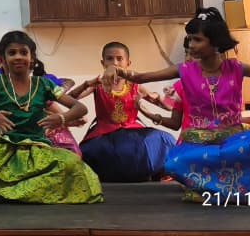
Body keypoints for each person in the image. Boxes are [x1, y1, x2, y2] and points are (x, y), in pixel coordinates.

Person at [101, 7, 250, 203]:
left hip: (233, 141)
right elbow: (142, 78)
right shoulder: (184, 70)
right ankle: (230, 186)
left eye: (197, 40)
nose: (191, 45)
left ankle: (218, 188)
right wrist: (116, 70)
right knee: (175, 162)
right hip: (198, 144)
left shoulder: (235, 68)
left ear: (215, 42)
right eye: (190, 39)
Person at [0, 31, 102, 204]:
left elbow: (80, 108)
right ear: (2, 60)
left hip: (35, 148)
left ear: (32, 58)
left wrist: (61, 119)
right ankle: (20, 190)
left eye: (23, 52)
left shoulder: (44, 84)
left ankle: (1, 190)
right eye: (12, 53)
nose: (18, 57)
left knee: (72, 163)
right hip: (1, 145)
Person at [67, 42, 174, 182]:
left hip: (133, 130)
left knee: (163, 139)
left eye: (119, 58)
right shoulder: (98, 85)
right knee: (94, 151)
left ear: (128, 63)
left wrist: (158, 97)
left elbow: (169, 108)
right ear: (103, 63)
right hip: (104, 133)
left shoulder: (134, 85)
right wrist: (86, 84)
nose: (115, 63)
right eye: (110, 58)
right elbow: (69, 99)